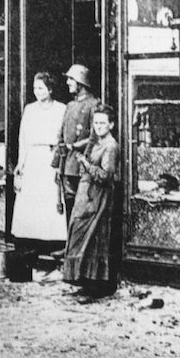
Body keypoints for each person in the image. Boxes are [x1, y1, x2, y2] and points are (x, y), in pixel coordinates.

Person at [62, 103, 120, 299]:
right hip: (86, 193)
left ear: (111, 124)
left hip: (98, 197)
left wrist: (85, 163)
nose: (98, 127)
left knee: (94, 239)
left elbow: (105, 176)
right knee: (80, 235)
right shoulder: (96, 143)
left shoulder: (110, 146)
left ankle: (95, 288)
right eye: (96, 123)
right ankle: (84, 282)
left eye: (103, 123)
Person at [11, 72, 68, 250]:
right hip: (33, 157)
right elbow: (23, 138)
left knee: (50, 198)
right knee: (31, 199)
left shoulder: (61, 109)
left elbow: (65, 137)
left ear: (50, 89)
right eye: (35, 88)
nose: (37, 92)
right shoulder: (29, 109)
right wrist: (21, 163)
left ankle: (52, 242)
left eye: (41, 88)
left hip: (51, 157)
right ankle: (30, 241)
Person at [53, 64, 98, 224]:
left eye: (71, 79)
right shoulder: (70, 106)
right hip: (67, 165)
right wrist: (58, 163)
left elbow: (95, 136)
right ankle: (70, 247)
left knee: (83, 210)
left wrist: (77, 148)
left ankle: (80, 248)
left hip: (83, 166)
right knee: (69, 207)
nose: (68, 83)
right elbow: (61, 134)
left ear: (81, 81)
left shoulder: (94, 105)